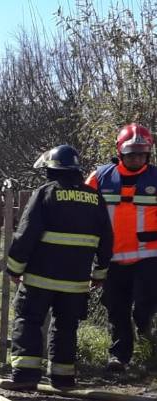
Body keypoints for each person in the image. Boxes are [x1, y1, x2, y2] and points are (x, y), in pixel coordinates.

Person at [5, 145, 113, 389]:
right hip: (75, 283)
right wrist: (100, 273)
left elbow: (26, 235)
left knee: (29, 320)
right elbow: (107, 239)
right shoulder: (95, 198)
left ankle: (25, 376)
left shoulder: (45, 194)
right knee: (66, 327)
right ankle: (63, 379)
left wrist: (14, 268)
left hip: (39, 279)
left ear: (52, 170)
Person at [86, 123, 157, 372]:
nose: (137, 158)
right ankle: (119, 356)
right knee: (116, 309)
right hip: (112, 258)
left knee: (143, 308)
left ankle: (149, 341)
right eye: (131, 153)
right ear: (120, 151)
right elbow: (83, 207)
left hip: (149, 256)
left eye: (141, 153)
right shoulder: (100, 177)